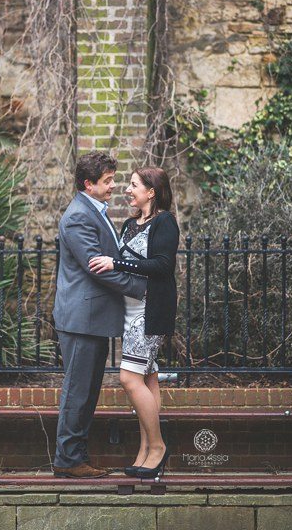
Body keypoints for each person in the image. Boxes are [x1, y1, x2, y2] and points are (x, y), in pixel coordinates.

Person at [52, 152, 147, 479]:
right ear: (88, 184)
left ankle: (74, 457)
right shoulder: (78, 216)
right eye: (107, 181)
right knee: (78, 390)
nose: (113, 186)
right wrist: (138, 287)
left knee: (87, 390)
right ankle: (68, 460)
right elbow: (97, 267)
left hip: (90, 317)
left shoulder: (93, 210)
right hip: (81, 318)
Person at [89, 167, 179, 479]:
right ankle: (144, 451)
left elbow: (163, 266)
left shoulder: (164, 221)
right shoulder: (129, 224)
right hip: (129, 311)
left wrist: (117, 262)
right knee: (147, 379)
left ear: (151, 191)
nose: (128, 190)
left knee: (129, 379)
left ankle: (158, 447)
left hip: (150, 311)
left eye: (134, 185)